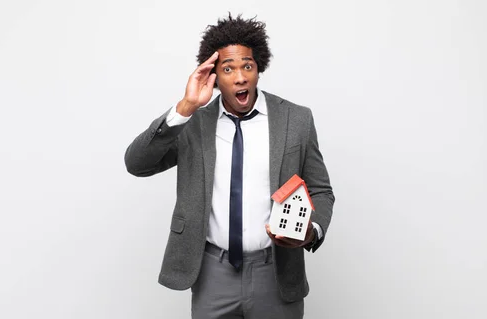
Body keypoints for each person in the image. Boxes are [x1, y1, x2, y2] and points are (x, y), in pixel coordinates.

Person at [125, 13, 335, 319]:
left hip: (275, 272)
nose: (240, 77)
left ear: (258, 68)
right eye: (228, 69)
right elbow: (137, 164)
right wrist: (185, 107)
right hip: (212, 274)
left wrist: (311, 230)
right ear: (213, 76)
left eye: (247, 66)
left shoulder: (296, 119)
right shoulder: (192, 123)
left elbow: (320, 189)